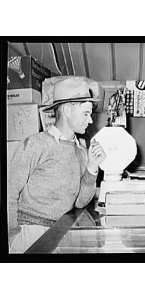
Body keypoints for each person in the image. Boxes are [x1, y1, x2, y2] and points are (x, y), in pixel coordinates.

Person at [7, 77, 106, 253]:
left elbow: (80, 202)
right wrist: (12, 234)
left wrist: (92, 167)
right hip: (30, 231)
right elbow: (9, 190)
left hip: (62, 231)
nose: (90, 121)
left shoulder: (80, 150)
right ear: (67, 110)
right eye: (86, 113)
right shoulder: (36, 144)